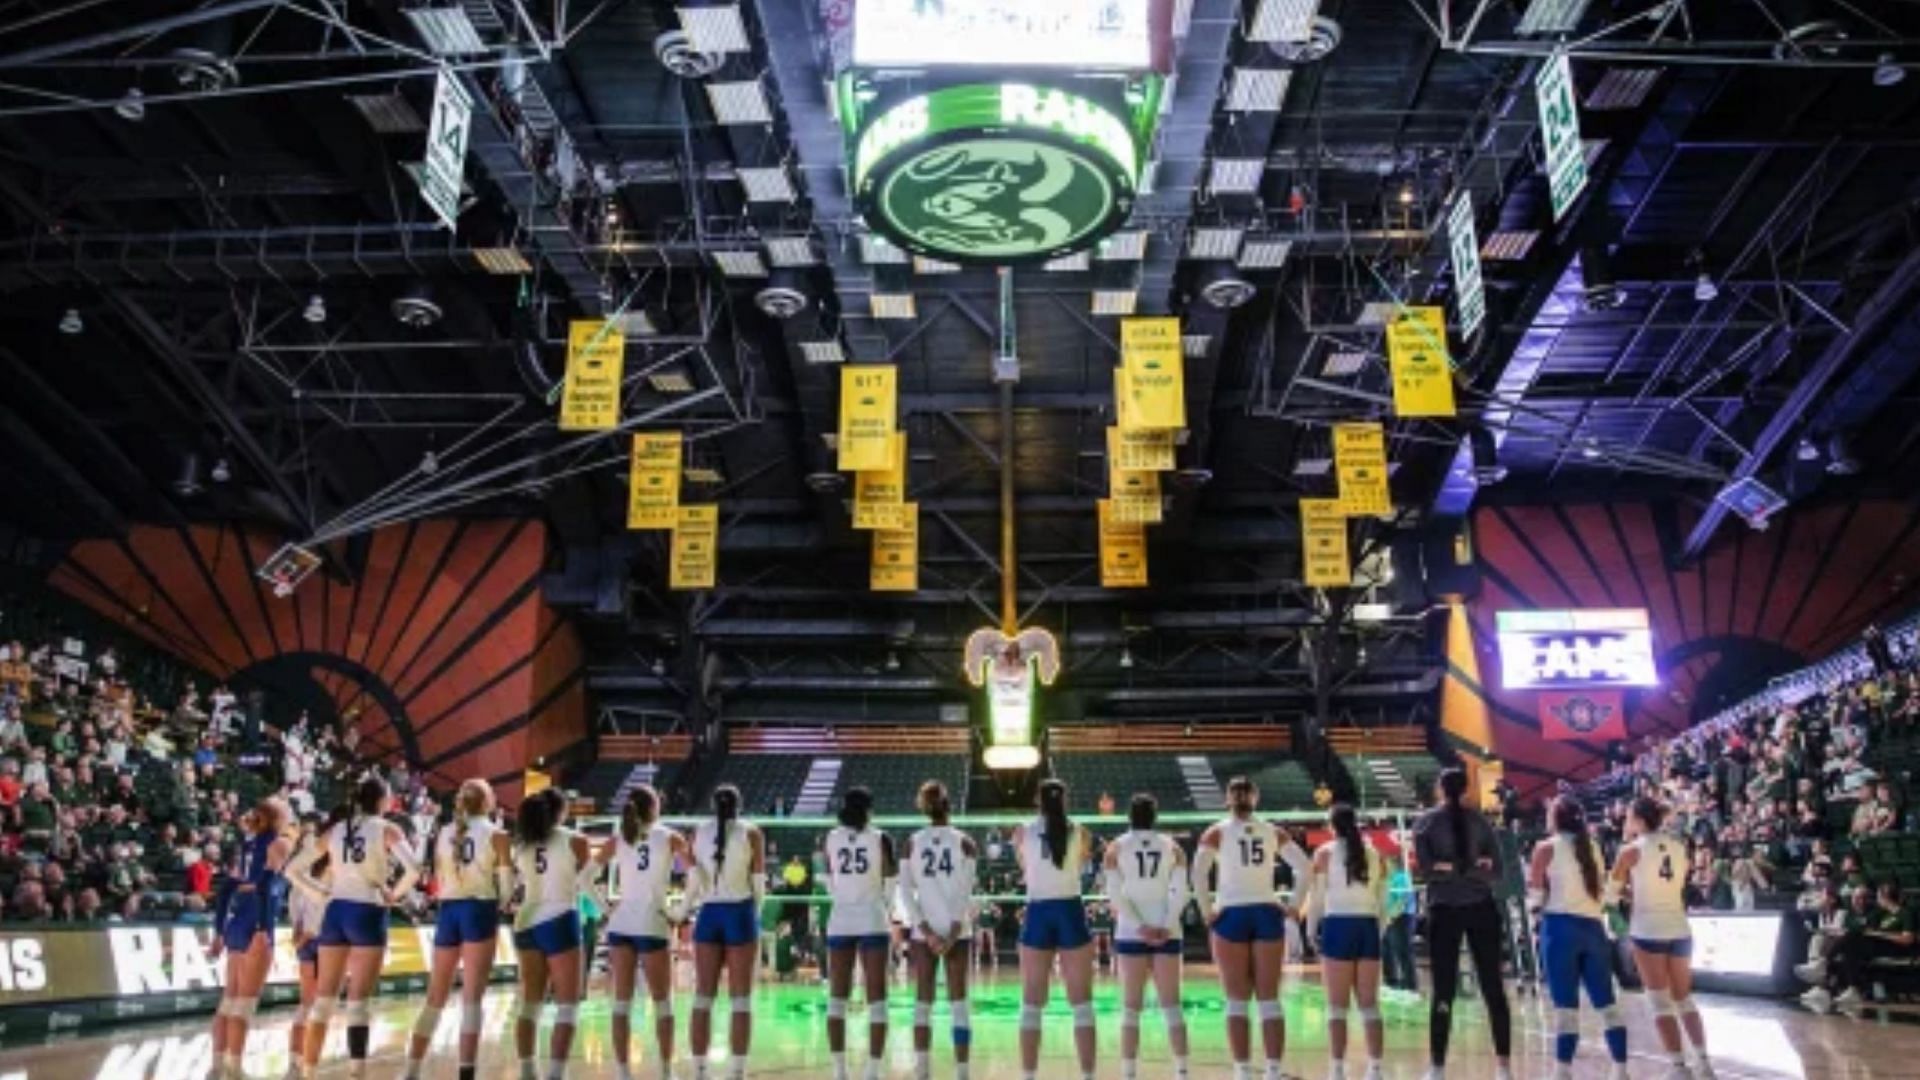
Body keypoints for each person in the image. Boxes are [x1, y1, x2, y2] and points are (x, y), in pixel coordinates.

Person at [294, 774, 422, 1080]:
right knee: (358, 1003)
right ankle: (356, 1073)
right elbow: (415, 868)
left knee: (323, 1000)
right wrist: (396, 892)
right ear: (382, 800)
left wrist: (320, 893)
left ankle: (307, 1071)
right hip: (368, 909)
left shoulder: (337, 829)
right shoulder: (387, 828)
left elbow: (293, 870)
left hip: (336, 911)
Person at [1193, 777, 1310, 1080]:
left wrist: (1207, 912)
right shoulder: (1272, 831)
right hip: (1266, 912)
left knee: (1236, 1000)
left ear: (1228, 799)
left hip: (1231, 913)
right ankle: (1272, 1071)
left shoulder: (1216, 832)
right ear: (1255, 798)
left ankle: (1242, 1071)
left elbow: (1198, 874)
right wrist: (1294, 905)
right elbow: (1304, 868)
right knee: (1269, 999)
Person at [406, 779, 514, 1080]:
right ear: (488, 802)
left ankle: (411, 1070)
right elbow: (506, 890)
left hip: (448, 910)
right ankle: (466, 1072)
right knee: (472, 998)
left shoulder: (443, 832)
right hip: (479, 909)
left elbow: (439, 876)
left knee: (435, 997)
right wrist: (504, 903)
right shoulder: (498, 835)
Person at [1412, 768, 1512, 1080]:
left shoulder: (1425, 823)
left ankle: (1437, 1067)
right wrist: (1471, 868)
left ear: (1440, 789)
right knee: (1493, 987)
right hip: (1481, 908)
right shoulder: (1481, 821)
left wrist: (1449, 869)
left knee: (1443, 988)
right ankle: (1504, 1067)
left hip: (1444, 910)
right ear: (1466, 789)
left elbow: (1428, 871)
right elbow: (1495, 871)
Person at [1610, 796, 1713, 1080]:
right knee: (1684, 1000)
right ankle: (1704, 1064)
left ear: (1640, 820)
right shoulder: (1680, 847)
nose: (1626, 820)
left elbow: (1610, 893)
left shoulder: (1629, 851)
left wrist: (1629, 892)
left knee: (1659, 1002)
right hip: (1679, 927)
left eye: (1629, 815)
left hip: (1648, 930)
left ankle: (1679, 1068)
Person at [1528, 798, 1628, 1080]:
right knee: (1607, 1005)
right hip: (1593, 929)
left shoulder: (1544, 848)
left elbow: (1535, 897)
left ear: (1555, 818)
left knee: (1566, 1009)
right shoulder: (1592, 847)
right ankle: (1621, 1069)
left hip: (1560, 928)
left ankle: (1563, 1072)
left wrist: (1535, 910)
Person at [597, 783, 689, 1080]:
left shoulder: (619, 838)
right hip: (652, 922)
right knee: (663, 1002)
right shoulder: (670, 836)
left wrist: (607, 908)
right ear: (655, 808)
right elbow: (698, 873)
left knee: (621, 1003)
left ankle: (623, 1073)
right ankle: (665, 1072)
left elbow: (585, 876)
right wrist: (680, 910)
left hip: (621, 924)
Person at [1102, 793, 1192, 1080]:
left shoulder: (1116, 847)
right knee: (1172, 1006)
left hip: (1131, 933)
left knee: (1130, 1008)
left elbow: (1114, 893)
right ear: (1155, 817)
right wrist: (1165, 924)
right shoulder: (1173, 846)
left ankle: (1129, 1072)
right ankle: (1182, 1071)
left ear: (1129, 816)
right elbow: (1182, 890)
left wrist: (1139, 926)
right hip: (1168, 931)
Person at [1012, 778, 1096, 1080]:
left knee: (1032, 1001)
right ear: (1065, 800)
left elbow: (1025, 868)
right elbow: (1082, 863)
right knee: (1082, 1003)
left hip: (1038, 909)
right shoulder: (1080, 831)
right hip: (1070, 909)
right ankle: (1088, 1075)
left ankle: (1028, 1075)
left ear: (1038, 800)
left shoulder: (1023, 831)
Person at [511, 787, 593, 1080]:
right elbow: (587, 885)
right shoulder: (576, 840)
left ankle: (527, 1072)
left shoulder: (521, 845)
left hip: (526, 920)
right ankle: (556, 1075)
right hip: (560, 919)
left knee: (529, 1004)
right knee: (567, 1006)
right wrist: (608, 911)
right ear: (561, 811)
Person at [208, 798, 293, 1080]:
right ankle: (234, 1068)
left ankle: (217, 1065)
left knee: (228, 1000)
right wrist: (262, 930)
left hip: (235, 923)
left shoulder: (246, 845)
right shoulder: (279, 844)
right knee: (244, 1003)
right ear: (279, 817)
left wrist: (219, 930)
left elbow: (225, 889)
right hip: (256, 923)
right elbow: (266, 887)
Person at [899, 780, 978, 1080]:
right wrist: (955, 929)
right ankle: (962, 1073)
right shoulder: (966, 841)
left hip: (925, 934)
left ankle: (923, 1073)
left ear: (924, 807)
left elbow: (905, 893)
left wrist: (926, 931)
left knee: (923, 1002)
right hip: (957, 932)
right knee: (959, 1003)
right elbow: (965, 891)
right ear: (948, 805)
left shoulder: (912, 842)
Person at [688, 784, 766, 1080]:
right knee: (741, 1000)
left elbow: (694, 883)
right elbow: (759, 884)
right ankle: (737, 1072)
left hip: (709, 914)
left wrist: (682, 911)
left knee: (702, 998)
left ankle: (699, 1071)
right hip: (740, 912)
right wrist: (752, 916)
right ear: (739, 804)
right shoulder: (751, 832)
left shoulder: (698, 832)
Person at [822, 787, 896, 1080]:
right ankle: (872, 1072)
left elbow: (829, 879)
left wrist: (843, 897)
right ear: (869, 809)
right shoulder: (880, 838)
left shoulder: (830, 837)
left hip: (841, 918)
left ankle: (840, 1071)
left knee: (837, 998)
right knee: (877, 999)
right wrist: (884, 907)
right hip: (872, 917)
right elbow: (891, 881)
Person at [1309, 804, 1386, 1080]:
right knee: (1370, 1004)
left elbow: (1317, 898)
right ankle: (1375, 1068)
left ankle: (1337, 1069)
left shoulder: (1325, 853)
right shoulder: (1375, 854)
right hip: (1367, 926)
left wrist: (1310, 930)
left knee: (1336, 1006)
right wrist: (1380, 929)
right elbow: (1383, 898)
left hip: (1338, 924)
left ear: (1332, 825)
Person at [1806, 881, 1918, 1011]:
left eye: (1877, 896)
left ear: (1884, 897)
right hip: (1877, 945)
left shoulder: (1905, 913)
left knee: (1852, 937)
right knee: (1850, 946)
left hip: (1895, 948)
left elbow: (1907, 939)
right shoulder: (1883, 914)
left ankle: (1823, 965)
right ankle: (1849, 988)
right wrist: (1874, 933)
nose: (1876, 900)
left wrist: (1879, 934)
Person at [284, 811, 336, 1080]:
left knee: (307, 1004)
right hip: (321, 939)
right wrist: (305, 933)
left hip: (307, 939)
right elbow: (321, 908)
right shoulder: (328, 871)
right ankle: (306, 1067)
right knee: (317, 1006)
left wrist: (297, 932)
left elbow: (295, 906)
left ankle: (296, 1064)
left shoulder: (299, 876)